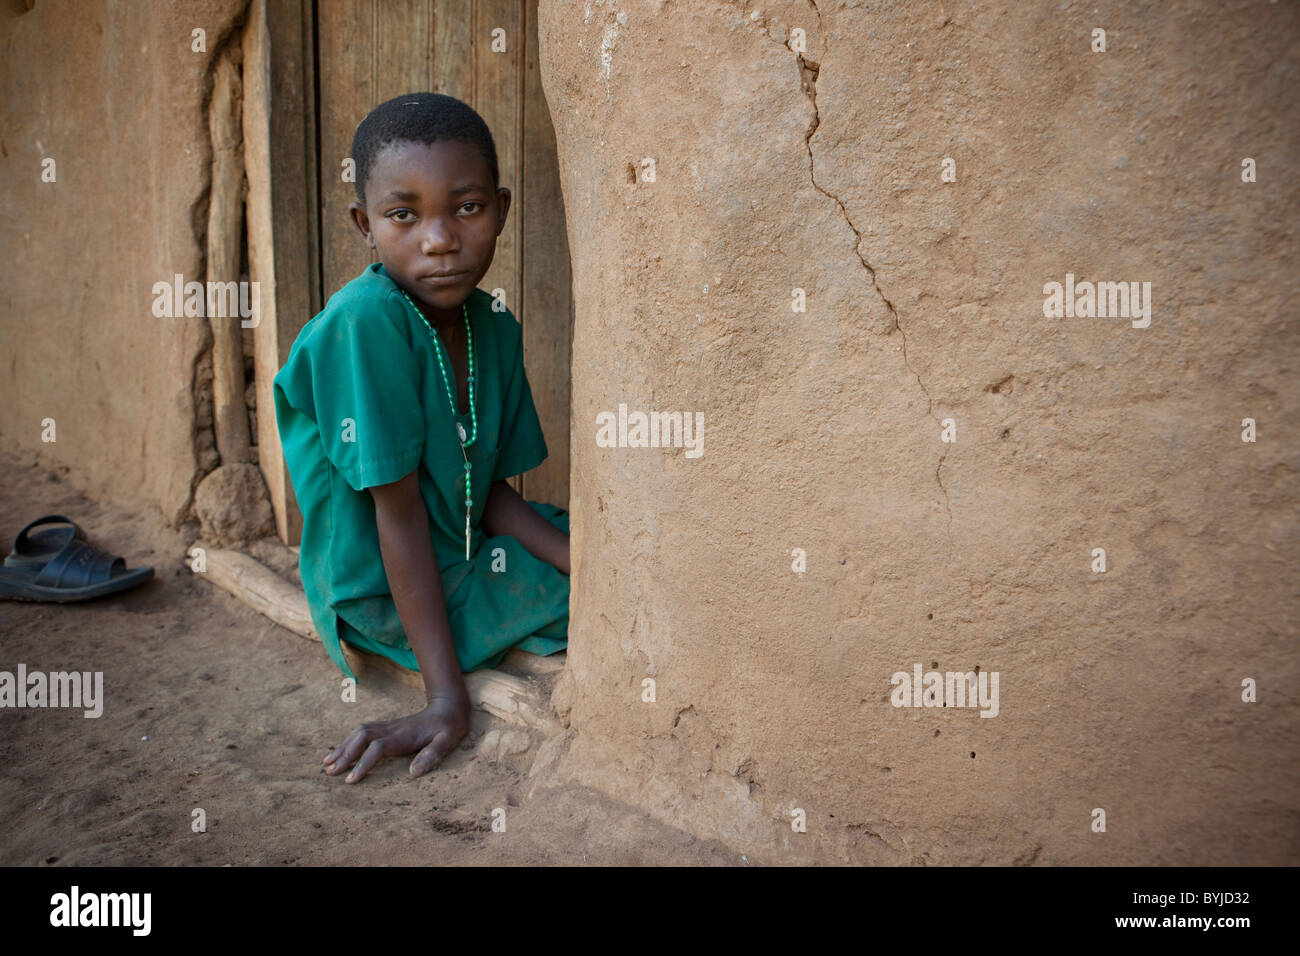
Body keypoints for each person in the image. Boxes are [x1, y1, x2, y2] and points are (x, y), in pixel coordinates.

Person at [272, 93, 570, 784]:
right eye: (404, 215)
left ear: (500, 209)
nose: (439, 239)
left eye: (466, 208)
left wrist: (575, 561)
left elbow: (485, 488)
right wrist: (445, 701)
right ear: (365, 226)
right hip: (380, 576)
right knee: (589, 611)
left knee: (590, 561)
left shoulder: (490, 324)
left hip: (456, 545)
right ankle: (440, 663)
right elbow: (397, 514)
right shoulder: (365, 323)